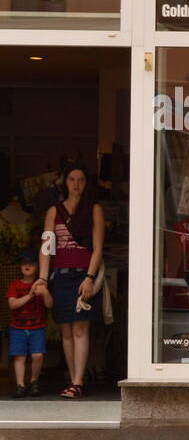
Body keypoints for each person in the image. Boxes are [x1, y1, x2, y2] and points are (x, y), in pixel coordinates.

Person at [38, 164, 104, 399]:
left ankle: (77, 382)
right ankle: (73, 378)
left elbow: (97, 249)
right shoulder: (53, 212)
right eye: (72, 179)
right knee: (65, 330)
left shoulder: (94, 209)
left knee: (80, 328)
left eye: (81, 180)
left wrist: (89, 277)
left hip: (82, 275)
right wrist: (43, 279)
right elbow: (47, 248)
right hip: (60, 276)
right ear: (65, 183)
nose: (76, 184)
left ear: (87, 184)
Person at [8, 250, 52, 398]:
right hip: (17, 328)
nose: (27, 265)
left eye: (31, 263)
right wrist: (30, 295)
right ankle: (20, 385)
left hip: (38, 327)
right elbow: (13, 304)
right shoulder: (14, 285)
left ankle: (34, 382)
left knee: (38, 355)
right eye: (24, 263)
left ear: (38, 267)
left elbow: (50, 305)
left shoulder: (42, 285)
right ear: (20, 267)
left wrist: (45, 292)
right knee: (19, 356)